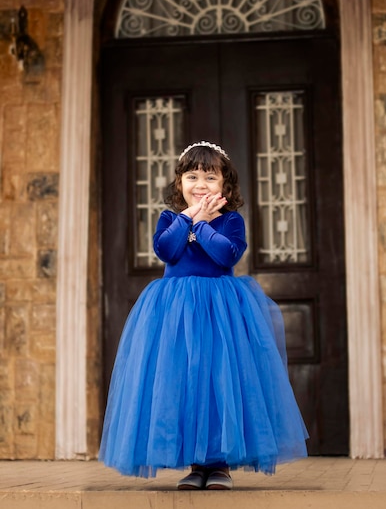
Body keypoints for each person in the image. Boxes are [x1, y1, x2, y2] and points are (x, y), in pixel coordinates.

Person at [99, 141, 308, 490]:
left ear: (225, 184)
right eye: (192, 176)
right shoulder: (170, 219)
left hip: (221, 313)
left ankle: (219, 465)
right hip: (175, 314)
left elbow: (225, 256)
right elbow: (167, 249)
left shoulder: (231, 221)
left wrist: (206, 225)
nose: (201, 184)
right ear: (179, 183)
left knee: (219, 381)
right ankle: (197, 465)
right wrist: (188, 219)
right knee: (184, 380)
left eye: (210, 177)